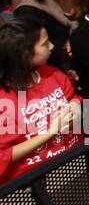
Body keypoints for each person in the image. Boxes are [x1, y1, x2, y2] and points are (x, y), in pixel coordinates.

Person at [0, 21, 82, 185]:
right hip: (37, 183)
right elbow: (3, 156)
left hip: (76, 164)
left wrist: (75, 106)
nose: (51, 46)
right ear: (24, 54)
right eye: (44, 44)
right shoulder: (4, 99)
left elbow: (73, 97)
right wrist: (50, 132)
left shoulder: (52, 73)